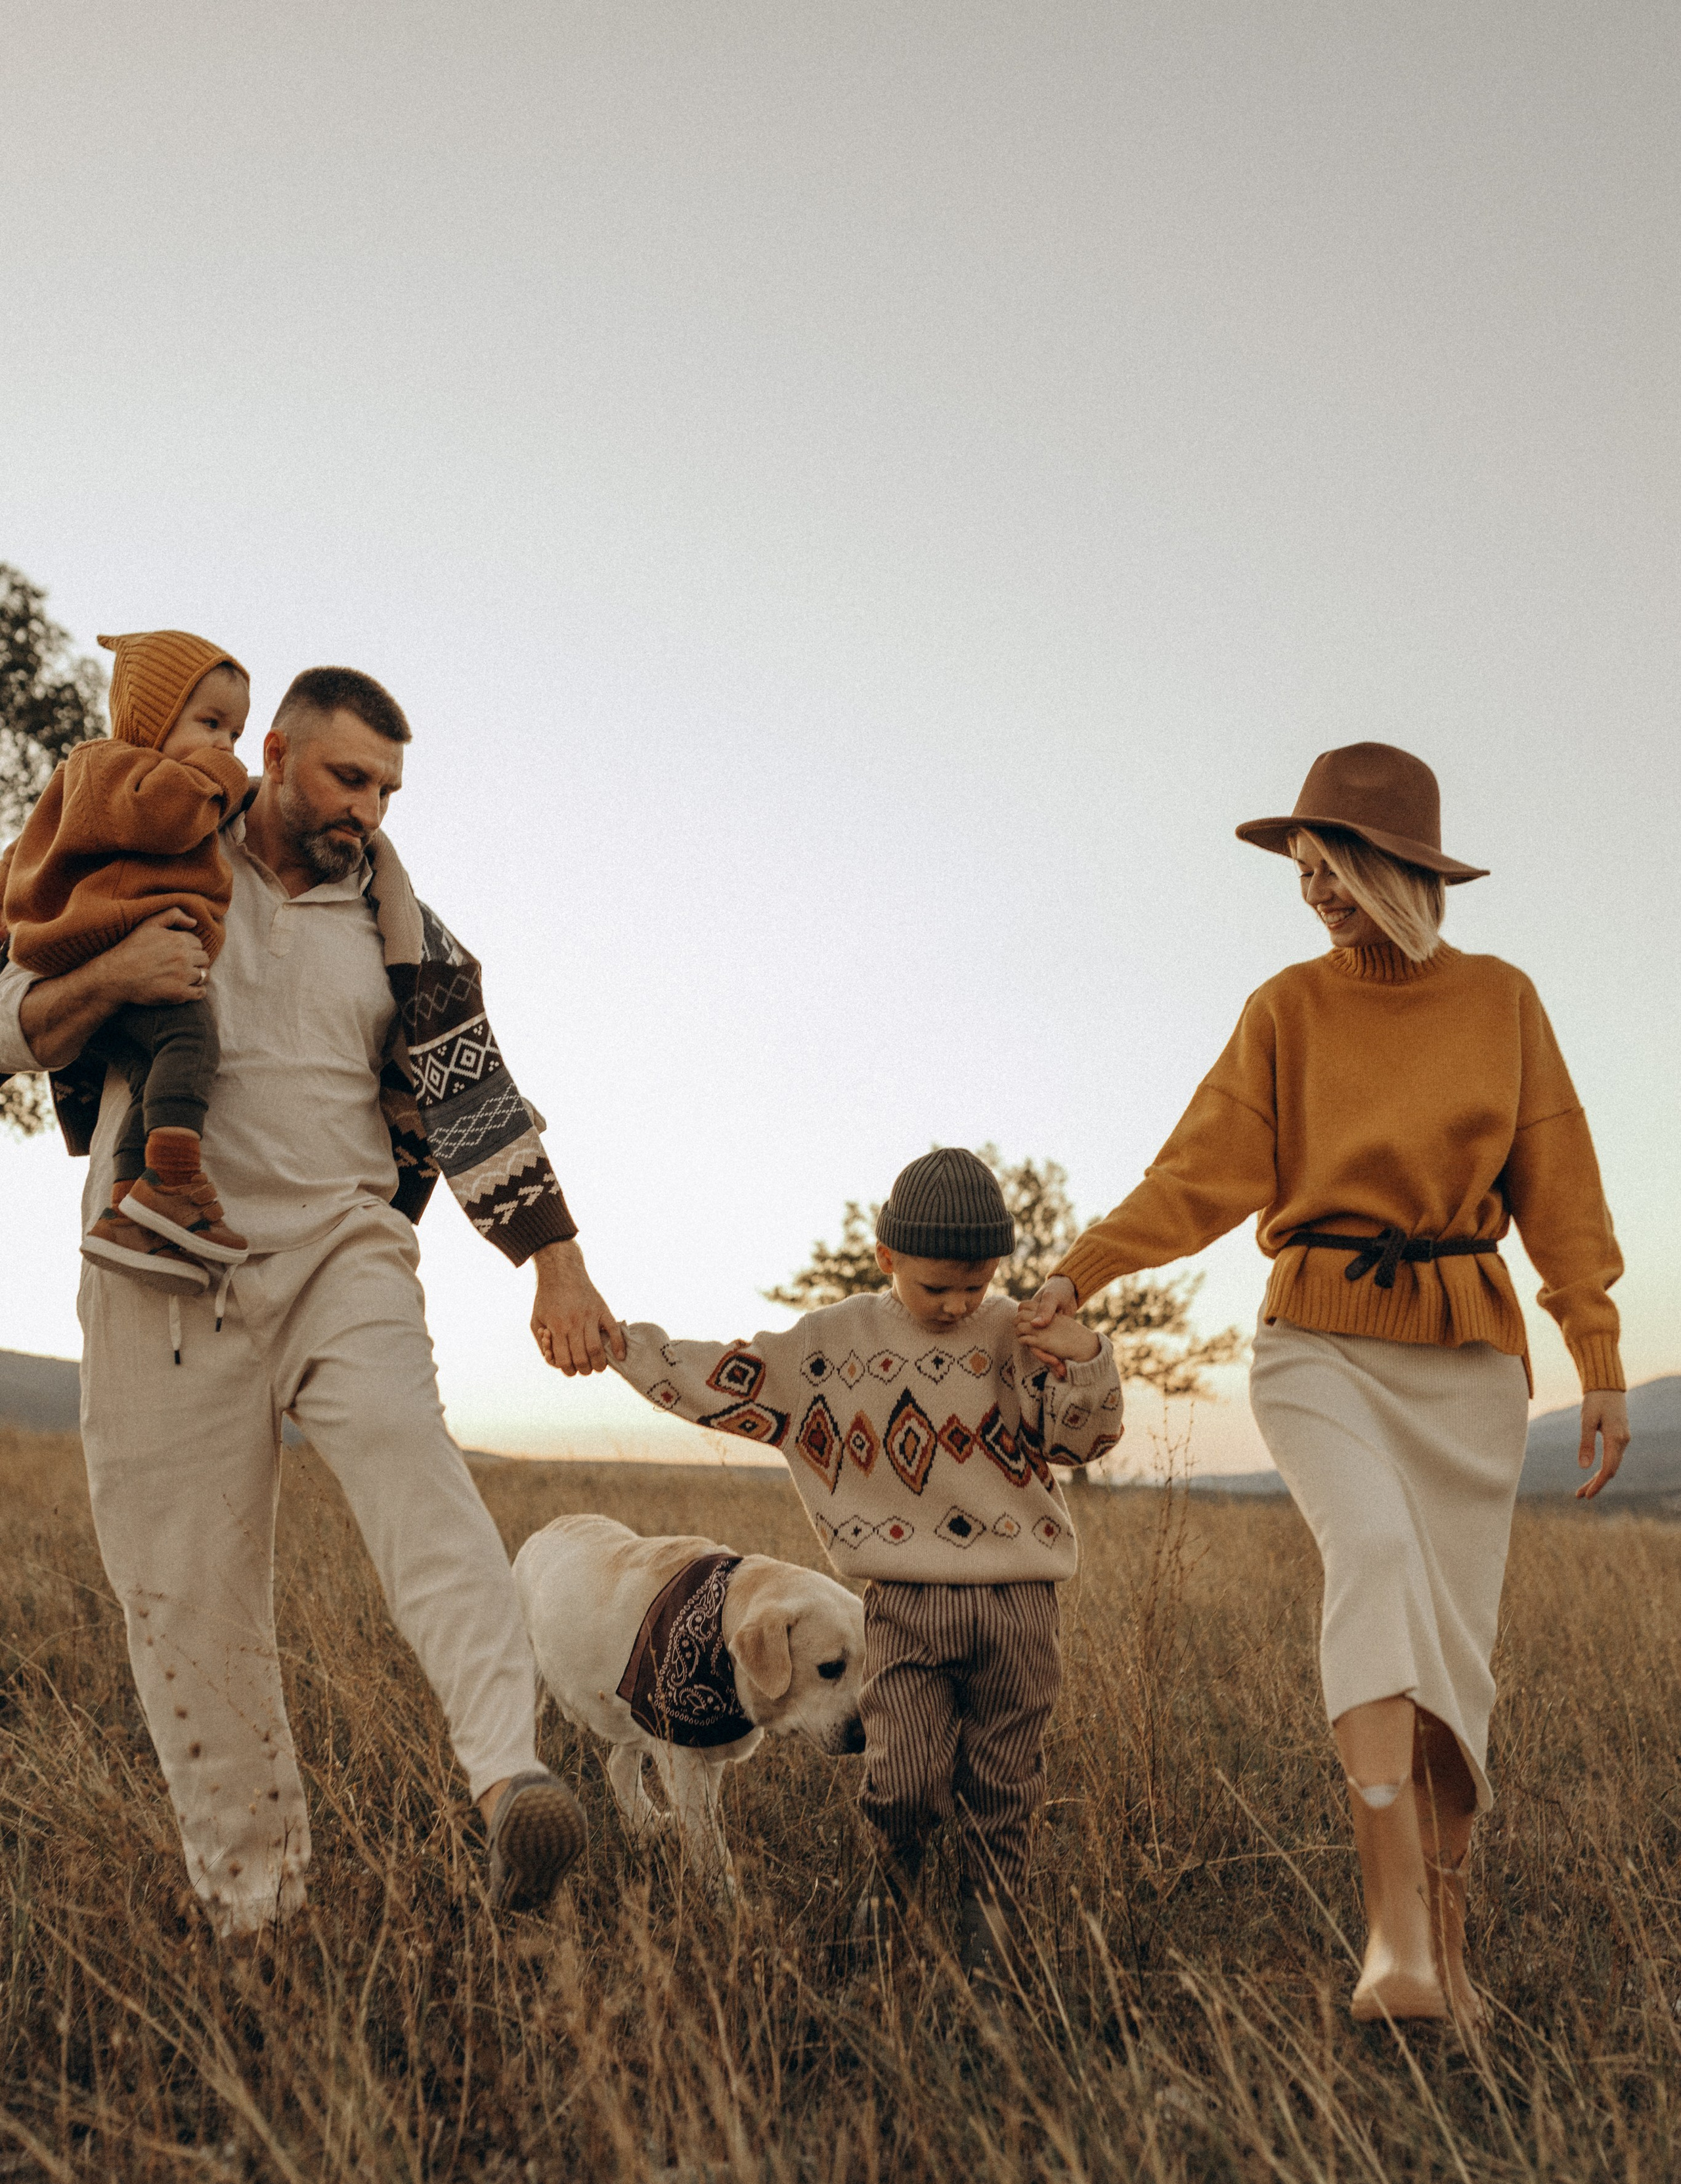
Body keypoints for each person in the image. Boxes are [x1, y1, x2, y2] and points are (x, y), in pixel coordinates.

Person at [0, 664, 625, 1938]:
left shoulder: (412, 936)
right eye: (349, 779)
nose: (368, 811)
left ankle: (511, 1779)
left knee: (415, 1464)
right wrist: (114, 976)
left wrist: (557, 1263)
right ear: (275, 755)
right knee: (186, 1589)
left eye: (388, 790)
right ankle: (258, 1909)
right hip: (164, 1261)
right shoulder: (142, 860)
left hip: (345, 1248)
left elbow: (476, 1101)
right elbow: (15, 1015)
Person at [1018, 742, 1629, 2025]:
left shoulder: (1502, 1003)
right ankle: (1392, 1939)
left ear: (1398, 866)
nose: (1312, 893)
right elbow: (1194, 1176)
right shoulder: (1284, 1009)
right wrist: (1080, 1273)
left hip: (1466, 1362)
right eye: (1299, 871)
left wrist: (1600, 1361)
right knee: (1372, 1558)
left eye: (1331, 866)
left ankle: (1448, 1958)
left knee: (1455, 1659)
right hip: (1318, 1344)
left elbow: (1562, 1196)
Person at [611, 1146, 1123, 1990]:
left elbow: (1083, 1440)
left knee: (1003, 1783)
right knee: (904, 1777)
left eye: (978, 1284)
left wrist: (1088, 1356)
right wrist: (620, 1346)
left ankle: (990, 1941)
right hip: (904, 1608)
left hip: (1021, 1607)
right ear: (887, 1257)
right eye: (936, 1287)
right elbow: (720, 1377)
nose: (959, 1305)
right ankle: (887, 1903)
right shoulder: (828, 1347)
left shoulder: (1020, 1335)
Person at [1, 629, 253, 1280]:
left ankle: (129, 1212)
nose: (227, 746)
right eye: (210, 724)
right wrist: (224, 779)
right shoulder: (113, 769)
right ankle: (174, 1181)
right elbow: (165, 817)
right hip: (110, 943)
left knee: (149, 1072)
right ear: (154, 717)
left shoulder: (153, 779)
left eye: (236, 734)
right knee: (191, 1042)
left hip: (119, 957)